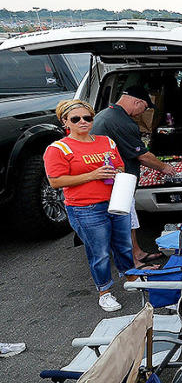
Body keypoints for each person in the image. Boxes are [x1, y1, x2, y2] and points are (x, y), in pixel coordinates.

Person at [44, 99, 136, 312]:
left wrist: (118, 173)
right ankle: (104, 292)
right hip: (85, 208)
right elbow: (55, 181)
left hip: (115, 200)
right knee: (100, 251)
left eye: (88, 117)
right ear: (65, 121)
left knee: (123, 244)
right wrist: (93, 175)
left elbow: (120, 164)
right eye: (76, 119)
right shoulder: (58, 148)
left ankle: (131, 277)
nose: (83, 122)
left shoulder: (106, 141)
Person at [91, 85, 176, 267]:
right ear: (137, 102)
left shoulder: (105, 114)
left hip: (116, 179)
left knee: (130, 218)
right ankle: (134, 263)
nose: (141, 113)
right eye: (144, 108)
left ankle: (138, 252)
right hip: (116, 182)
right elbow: (142, 156)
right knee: (123, 220)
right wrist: (164, 167)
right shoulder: (121, 121)